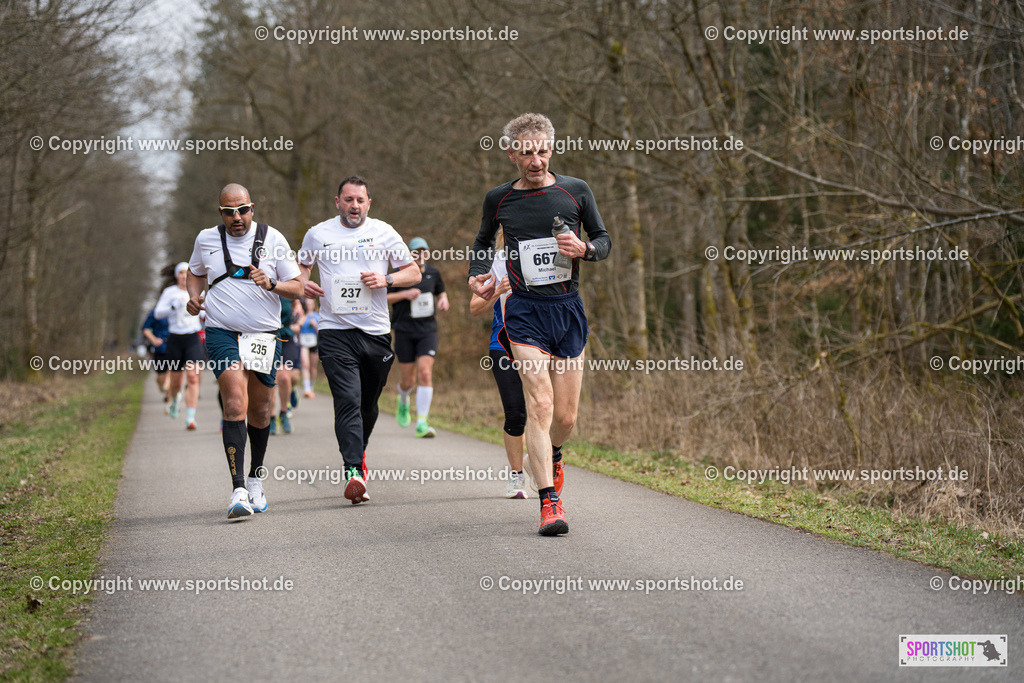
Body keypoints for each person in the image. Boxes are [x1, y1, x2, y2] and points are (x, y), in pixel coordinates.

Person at [468, 113, 611, 536]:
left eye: (543, 151)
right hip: (524, 312)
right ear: (512, 153)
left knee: (565, 417)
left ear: (552, 148)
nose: (536, 161)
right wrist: (478, 272)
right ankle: (549, 504)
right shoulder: (499, 199)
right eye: (527, 153)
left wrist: (584, 248)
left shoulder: (576, 191)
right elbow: (480, 242)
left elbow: (604, 240)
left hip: (566, 309)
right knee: (541, 406)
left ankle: (553, 454)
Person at [298, 176, 420, 504]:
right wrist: (302, 285)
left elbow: (414, 272)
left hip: (376, 332)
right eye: (348, 199)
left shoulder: (384, 232)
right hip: (334, 332)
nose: (354, 206)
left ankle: (359, 453)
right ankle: (353, 470)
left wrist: (387, 278)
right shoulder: (318, 233)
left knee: (368, 404)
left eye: (360, 200)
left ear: (369, 203)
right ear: (337, 201)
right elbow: (300, 268)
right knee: (348, 400)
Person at [186, 183, 302, 519]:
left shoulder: (274, 239)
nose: (236, 217)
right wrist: (193, 298)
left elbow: (296, 288)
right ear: (219, 212)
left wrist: (272, 284)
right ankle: (237, 488)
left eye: (242, 210)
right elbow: (195, 274)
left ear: (252, 208)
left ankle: (255, 479)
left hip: (263, 335)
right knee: (235, 400)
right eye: (228, 211)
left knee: (262, 410)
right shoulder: (205, 240)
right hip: (222, 331)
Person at [469, 241, 529, 498]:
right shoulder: (497, 260)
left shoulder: (545, 252)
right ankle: (517, 475)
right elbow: (474, 308)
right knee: (516, 413)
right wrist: (497, 291)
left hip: (543, 343)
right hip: (504, 343)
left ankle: (538, 461)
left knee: (548, 411)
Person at [387, 237, 449, 438]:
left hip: (427, 330)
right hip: (404, 330)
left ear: (427, 253)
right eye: (415, 251)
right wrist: (404, 295)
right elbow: (383, 297)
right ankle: (403, 399)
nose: (419, 255)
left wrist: (443, 300)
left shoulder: (433, 273)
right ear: (409, 254)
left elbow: (441, 291)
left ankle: (422, 422)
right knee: (408, 380)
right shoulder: (398, 274)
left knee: (425, 373)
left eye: (423, 251)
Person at [154, 262, 204, 429]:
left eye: (187, 272)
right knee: (176, 382)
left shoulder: (197, 290)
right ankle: (175, 400)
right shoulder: (170, 293)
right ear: (177, 275)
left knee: (192, 377)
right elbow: (157, 313)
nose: (184, 276)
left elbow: (204, 312)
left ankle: (190, 417)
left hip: (193, 338)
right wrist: (172, 306)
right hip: (175, 339)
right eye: (181, 273)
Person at [270, 297, 303, 435]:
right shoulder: (258, 284)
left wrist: (298, 324)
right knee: (271, 379)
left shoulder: (287, 284)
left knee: (284, 377)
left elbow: (300, 311)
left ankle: (283, 413)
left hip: (286, 337)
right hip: (266, 337)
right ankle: (271, 417)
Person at [141, 303, 170, 402]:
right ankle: (163, 387)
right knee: (161, 377)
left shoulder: (179, 310)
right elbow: (145, 328)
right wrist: (153, 339)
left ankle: (170, 396)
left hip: (175, 346)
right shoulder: (156, 312)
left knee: (173, 371)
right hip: (160, 349)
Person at [298, 298, 320, 398]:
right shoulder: (302, 316)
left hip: (314, 342)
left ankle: (311, 386)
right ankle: (306, 388)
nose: (309, 305)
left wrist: (315, 325)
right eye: (307, 304)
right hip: (304, 342)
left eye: (311, 303)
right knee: (305, 365)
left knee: (312, 367)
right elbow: (298, 327)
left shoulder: (317, 316)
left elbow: (320, 331)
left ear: (314, 305)